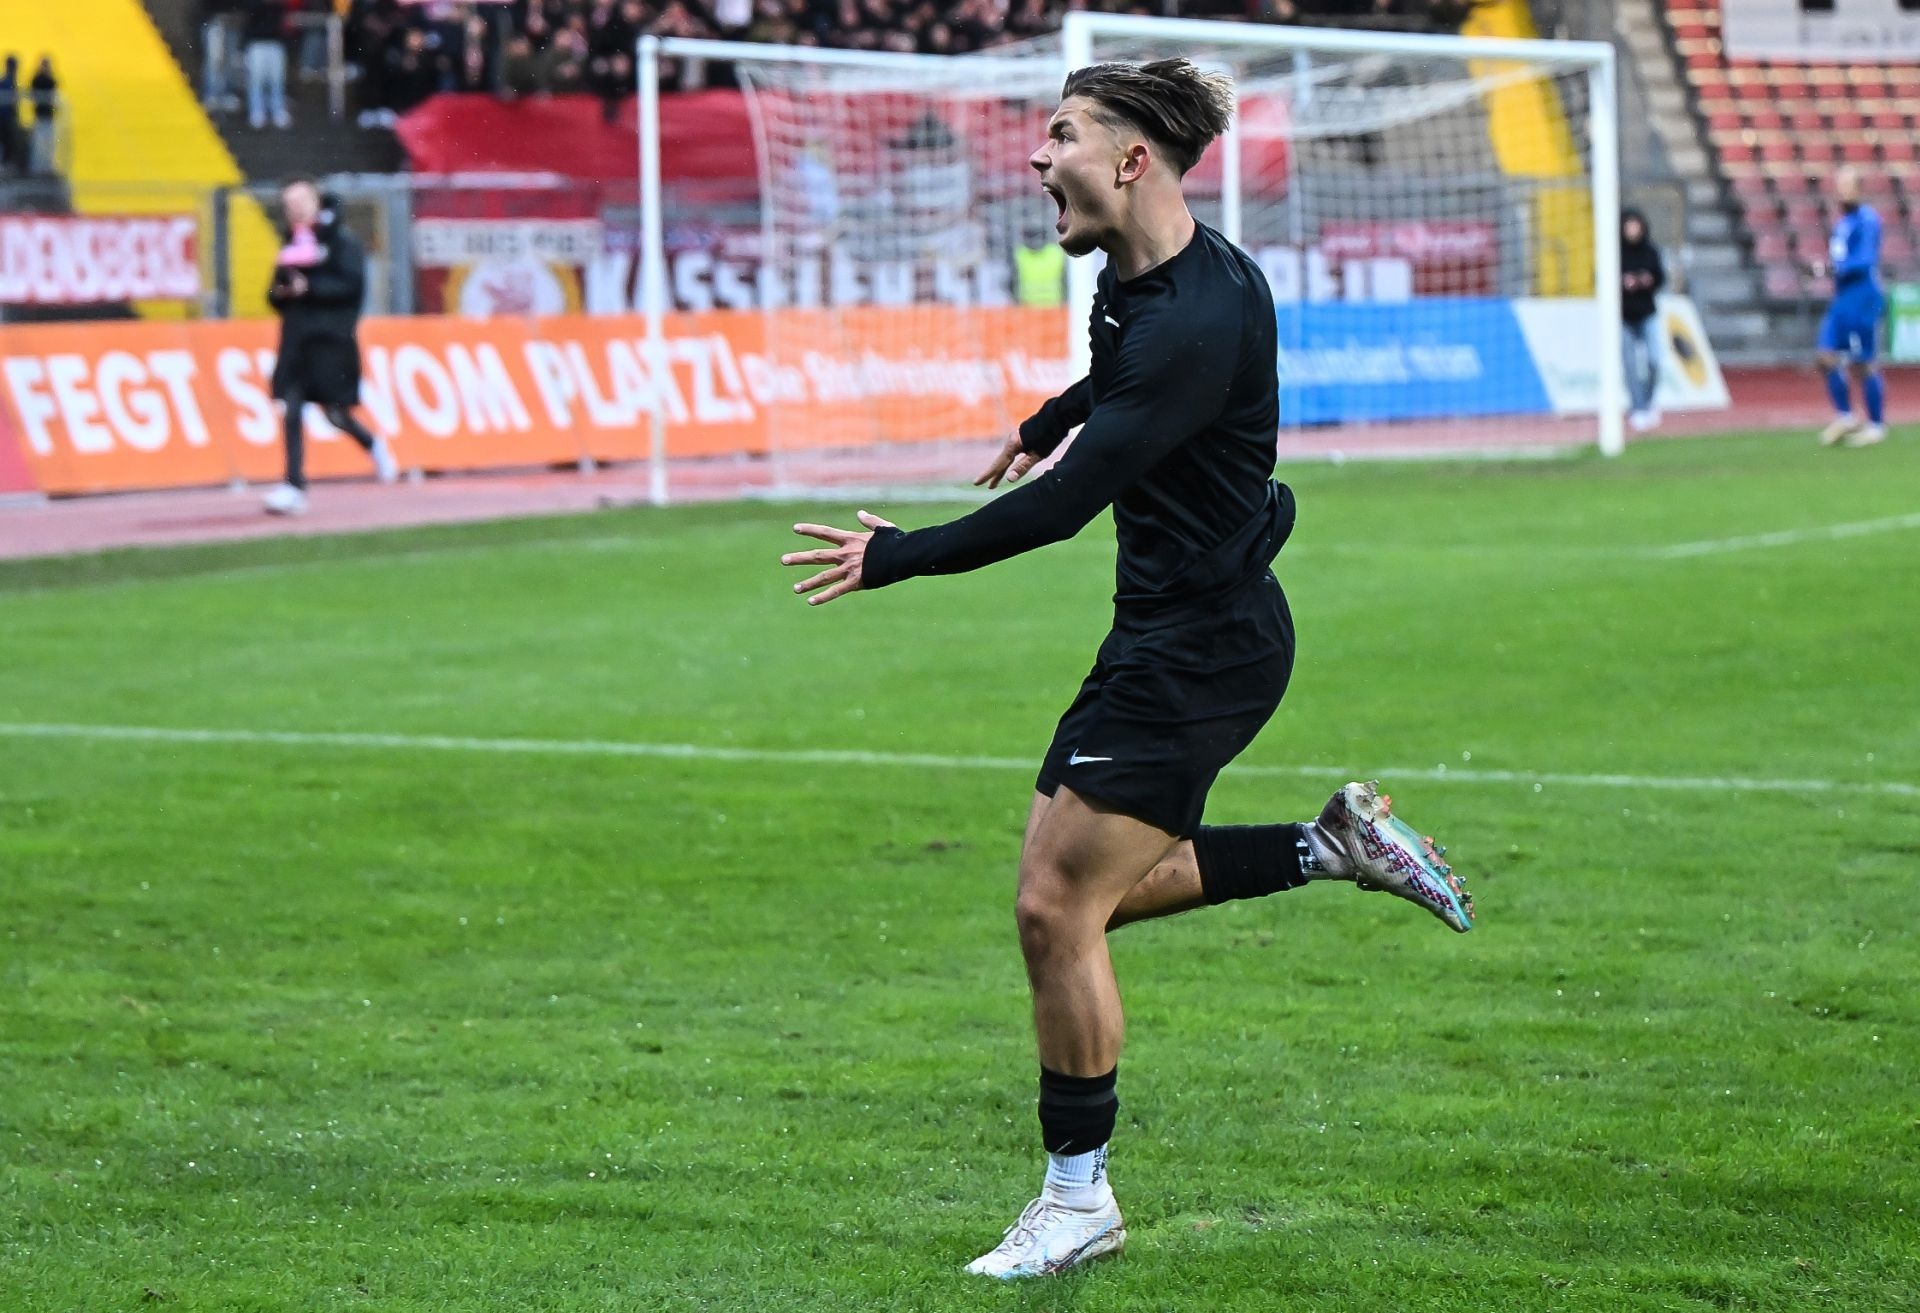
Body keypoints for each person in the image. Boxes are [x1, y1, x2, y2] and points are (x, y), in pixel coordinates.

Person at [779, 59, 1474, 1280]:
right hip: (1170, 635)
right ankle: (1327, 846)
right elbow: (1123, 375)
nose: (1038, 158)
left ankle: (1077, 1199)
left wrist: (895, 555)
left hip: (1200, 649)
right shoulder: (1155, 280)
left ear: (1132, 158)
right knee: (1074, 896)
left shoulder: (1196, 317)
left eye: (1062, 136)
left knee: (1055, 908)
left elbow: (1064, 509)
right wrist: (1051, 415)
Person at [262, 178, 397, 515]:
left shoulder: (342, 242)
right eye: (289, 204)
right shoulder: (290, 246)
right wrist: (283, 292)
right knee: (292, 407)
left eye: (301, 202)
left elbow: (351, 286)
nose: (295, 209)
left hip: (331, 343)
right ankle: (294, 484)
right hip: (297, 343)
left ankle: (372, 445)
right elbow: (273, 295)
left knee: (336, 413)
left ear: (316, 202)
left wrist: (309, 288)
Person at [1812, 166, 1888, 447]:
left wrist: (1831, 270)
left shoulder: (1867, 219)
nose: (1841, 191)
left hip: (1862, 296)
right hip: (1843, 297)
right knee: (1825, 356)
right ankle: (1845, 416)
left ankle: (1876, 425)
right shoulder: (1843, 222)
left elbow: (1864, 260)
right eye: (1839, 185)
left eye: (1847, 186)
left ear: (1859, 189)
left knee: (1862, 362)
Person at [1620, 208, 1666, 433]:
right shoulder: (1615, 252)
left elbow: (1661, 278)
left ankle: (1648, 402)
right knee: (1629, 364)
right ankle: (1637, 407)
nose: (1632, 230)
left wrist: (1649, 280)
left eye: (1635, 225)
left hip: (1647, 313)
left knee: (1655, 360)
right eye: (1628, 226)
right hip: (1623, 317)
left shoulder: (1650, 252)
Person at [241, 0, 292, 129]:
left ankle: (277, 110)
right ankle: (256, 111)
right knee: (256, 80)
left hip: (276, 42)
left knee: (277, 80)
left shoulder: (278, 6)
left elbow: (284, 10)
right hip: (256, 42)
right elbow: (248, 9)